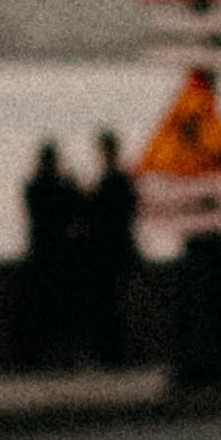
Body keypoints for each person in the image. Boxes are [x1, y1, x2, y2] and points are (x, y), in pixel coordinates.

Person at [16, 138, 86, 370]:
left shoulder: (34, 187)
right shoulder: (62, 189)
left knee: (42, 309)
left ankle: (41, 356)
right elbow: (77, 210)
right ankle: (63, 355)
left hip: (42, 255)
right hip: (60, 256)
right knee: (63, 310)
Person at [83, 129, 142, 369]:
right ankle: (115, 353)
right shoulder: (121, 179)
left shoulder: (113, 180)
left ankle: (113, 353)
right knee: (114, 303)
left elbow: (102, 213)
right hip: (117, 248)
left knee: (109, 303)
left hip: (109, 251)